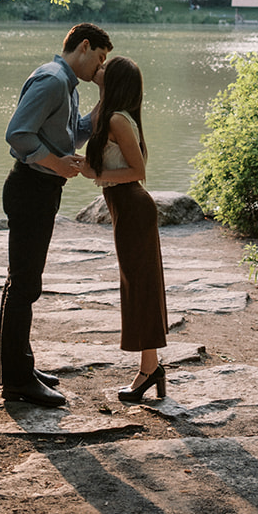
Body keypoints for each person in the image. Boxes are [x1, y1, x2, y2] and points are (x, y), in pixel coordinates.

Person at [0, 22, 112, 406]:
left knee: (21, 282)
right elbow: (18, 134)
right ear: (83, 45)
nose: (99, 66)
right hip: (31, 188)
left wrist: (104, 98)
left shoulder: (66, 83)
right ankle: (17, 381)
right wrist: (56, 164)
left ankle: (15, 367)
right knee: (26, 285)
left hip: (39, 188)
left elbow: (73, 133)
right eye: (99, 58)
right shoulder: (52, 81)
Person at [88, 55, 168, 401]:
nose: (99, 68)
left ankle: (149, 370)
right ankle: (150, 367)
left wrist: (96, 175)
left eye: (106, 67)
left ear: (116, 80)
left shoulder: (118, 120)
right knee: (138, 286)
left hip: (133, 205)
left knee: (141, 287)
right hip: (124, 207)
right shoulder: (110, 113)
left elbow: (137, 171)